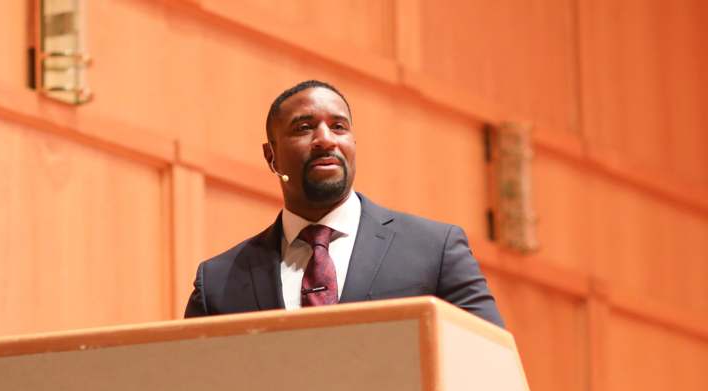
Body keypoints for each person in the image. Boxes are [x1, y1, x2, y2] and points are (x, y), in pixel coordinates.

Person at [184, 80, 504, 327]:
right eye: (304, 128)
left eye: (339, 127)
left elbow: (489, 365)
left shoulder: (435, 250)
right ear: (272, 157)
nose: (326, 139)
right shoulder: (218, 282)